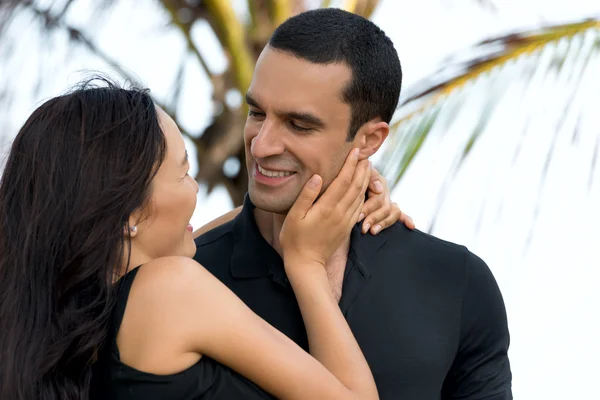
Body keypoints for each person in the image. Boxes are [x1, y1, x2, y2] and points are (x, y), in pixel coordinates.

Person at [0, 79, 410, 400]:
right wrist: (306, 265)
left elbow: (233, 223)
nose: (196, 190)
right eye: (182, 173)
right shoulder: (167, 290)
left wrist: (339, 193)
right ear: (127, 212)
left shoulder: (68, 322)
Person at [194, 8, 512, 399]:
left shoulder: (455, 280)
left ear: (369, 141)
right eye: (257, 113)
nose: (261, 145)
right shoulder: (184, 277)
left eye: (299, 125)